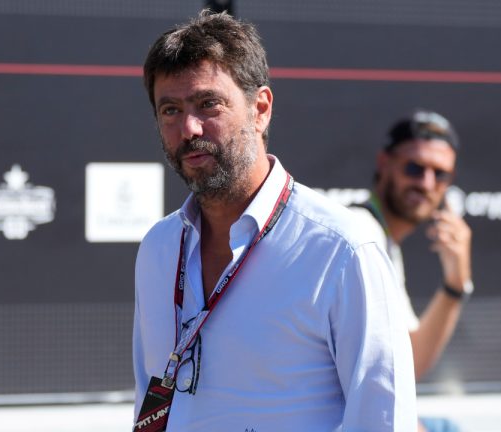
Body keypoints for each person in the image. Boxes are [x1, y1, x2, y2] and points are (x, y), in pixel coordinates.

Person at [132, 10, 416, 432]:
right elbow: (151, 400)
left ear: (260, 108)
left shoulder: (342, 247)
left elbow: (383, 418)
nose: (189, 128)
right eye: (169, 109)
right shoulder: (158, 247)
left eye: (208, 103)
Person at [355, 110, 473, 432]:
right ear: (384, 163)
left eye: (441, 174)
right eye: (414, 168)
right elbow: (362, 376)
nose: (426, 183)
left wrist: (456, 282)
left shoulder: (383, 239)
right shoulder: (363, 234)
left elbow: (411, 362)